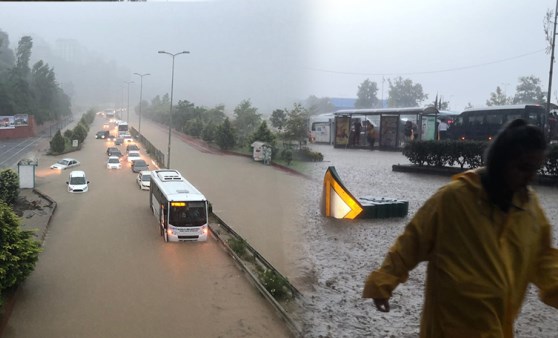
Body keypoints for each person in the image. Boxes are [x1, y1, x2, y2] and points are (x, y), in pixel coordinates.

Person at [363, 119, 558, 337]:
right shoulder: (453, 199)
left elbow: (544, 260)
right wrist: (383, 282)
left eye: (534, 169)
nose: (530, 177)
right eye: (523, 168)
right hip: (449, 328)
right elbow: (412, 242)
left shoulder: (530, 210)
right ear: (501, 161)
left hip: (496, 330)